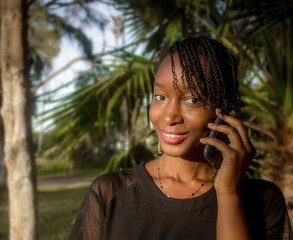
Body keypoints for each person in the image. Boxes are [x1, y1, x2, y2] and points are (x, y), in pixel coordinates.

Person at [69, 36, 293, 240]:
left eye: (192, 99)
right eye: (160, 97)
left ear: (224, 108)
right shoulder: (110, 193)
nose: (169, 116)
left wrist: (228, 195)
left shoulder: (263, 200)